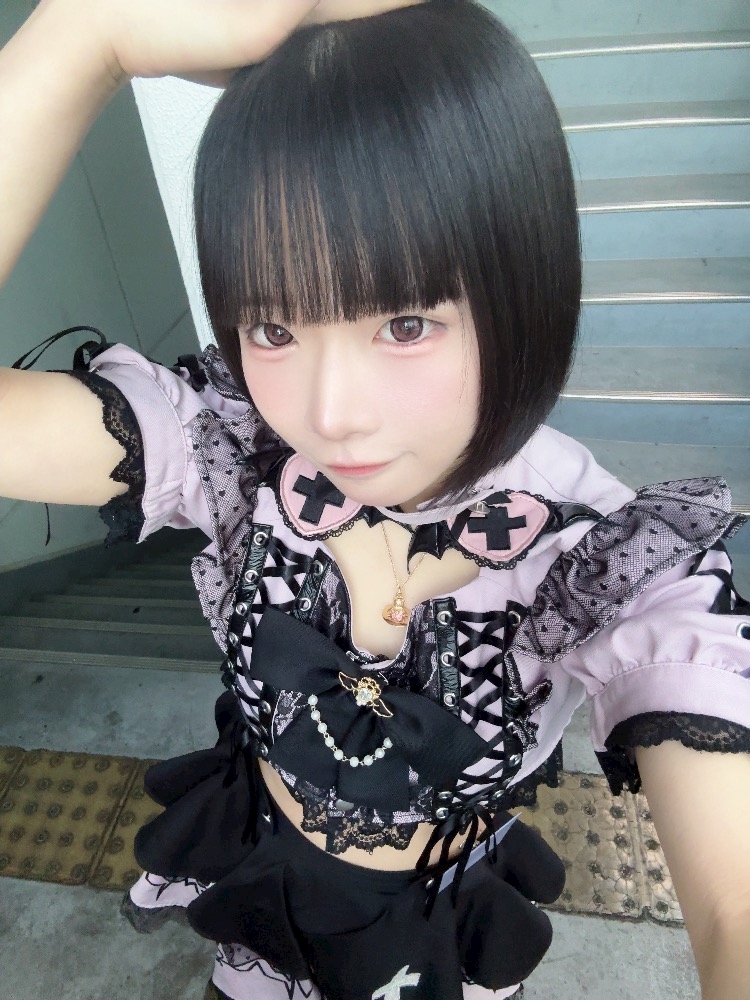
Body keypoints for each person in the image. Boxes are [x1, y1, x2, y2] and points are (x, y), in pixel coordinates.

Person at [1, 1, 749, 997]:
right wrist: (83, 36)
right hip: (261, 867)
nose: (330, 416)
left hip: (433, 924)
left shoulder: (597, 555)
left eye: (404, 323)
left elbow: (733, 914)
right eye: (273, 327)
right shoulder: (234, 446)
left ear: (524, 285)